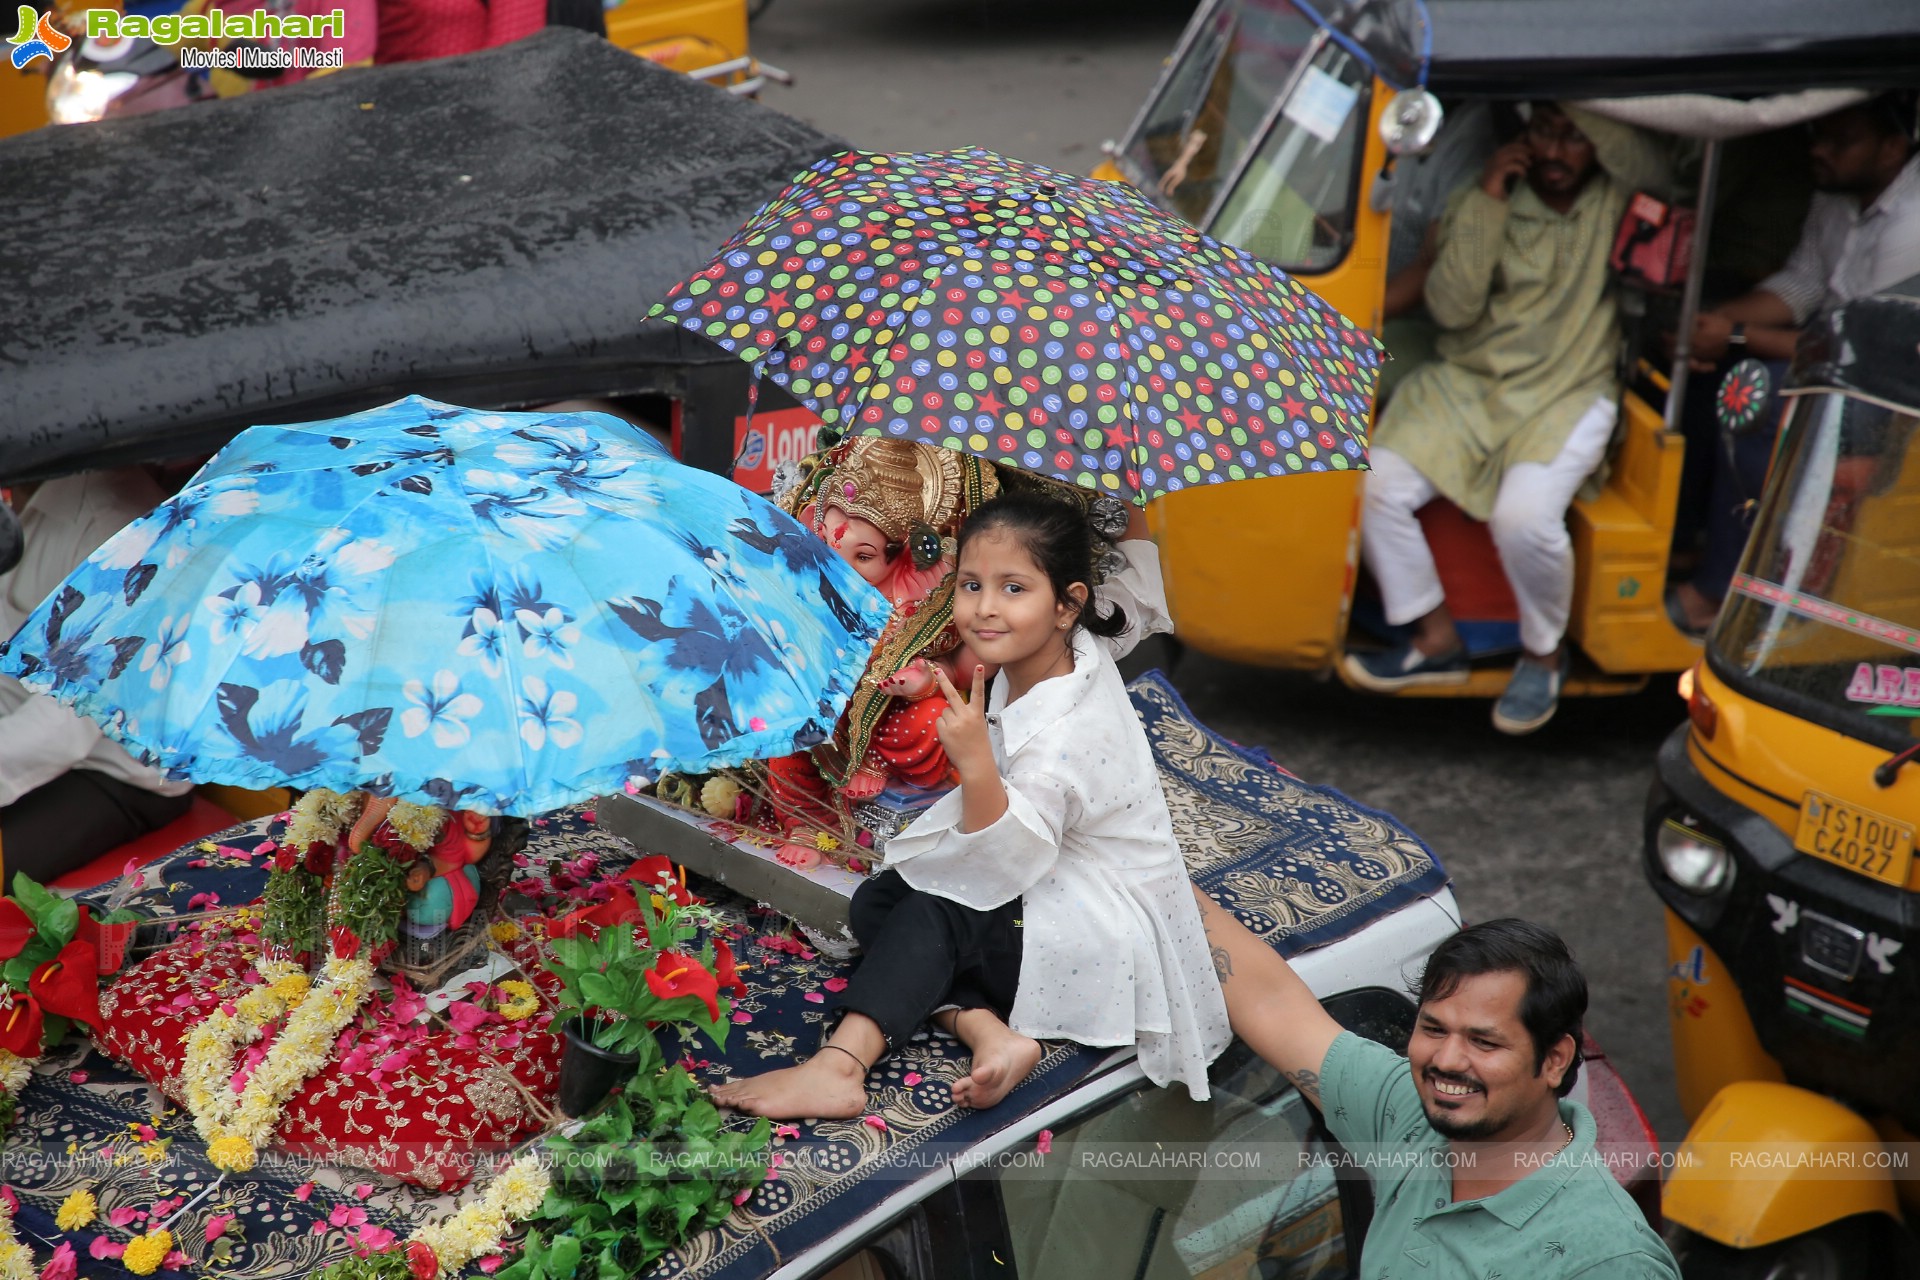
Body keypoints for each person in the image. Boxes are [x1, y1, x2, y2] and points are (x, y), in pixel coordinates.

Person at [711, 492, 1230, 1118]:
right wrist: (1130, 489)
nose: (985, 609)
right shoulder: (1076, 640)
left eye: (1014, 589)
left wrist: (976, 762)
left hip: (1099, 925)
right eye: (971, 584)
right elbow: (1140, 584)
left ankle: (840, 1066)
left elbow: (1004, 857)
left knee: (938, 912)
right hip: (1052, 874)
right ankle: (988, 1030)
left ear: (1068, 604)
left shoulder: (1067, 733)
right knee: (881, 897)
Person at [1345, 103, 1670, 735]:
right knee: (1375, 482)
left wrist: (1577, 107)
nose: (1555, 152)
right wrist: (1489, 201)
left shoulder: (1619, 197)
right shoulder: (1483, 196)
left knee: (1524, 518)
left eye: (1574, 138)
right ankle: (1435, 637)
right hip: (1468, 384)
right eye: (1544, 132)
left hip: (1567, 391)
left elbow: (1648, 159)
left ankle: (1544, 656)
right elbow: (1452, 308)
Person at [1195, 898, 1680, 1277]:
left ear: (1554, 1060)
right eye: (1433, 1029)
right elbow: (1271, 1003)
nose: (1446, 1060)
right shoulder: (1405, 1116)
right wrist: (1137, 847)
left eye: (1483, 1042)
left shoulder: (1608, 1260)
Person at [1667, 93, 1920, 634]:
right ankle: (1688, 541)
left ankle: (1723, 589)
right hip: (1830, 352)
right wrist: (1711, 321)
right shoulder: (1836, 193)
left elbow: (1857, 346)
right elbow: (1803, 284)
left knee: (1752, 397)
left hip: (1887, 389)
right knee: (1696, 370)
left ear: (1892, 148)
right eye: (1819, 136)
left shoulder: (1911, 222)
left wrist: (1737, 336)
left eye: (1841, 140)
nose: (1821, 151)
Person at [0, 471, 194, 883]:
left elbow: (65, 724)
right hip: (19, 720)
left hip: (117, 771)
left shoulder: (118, 530)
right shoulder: (18, 496)